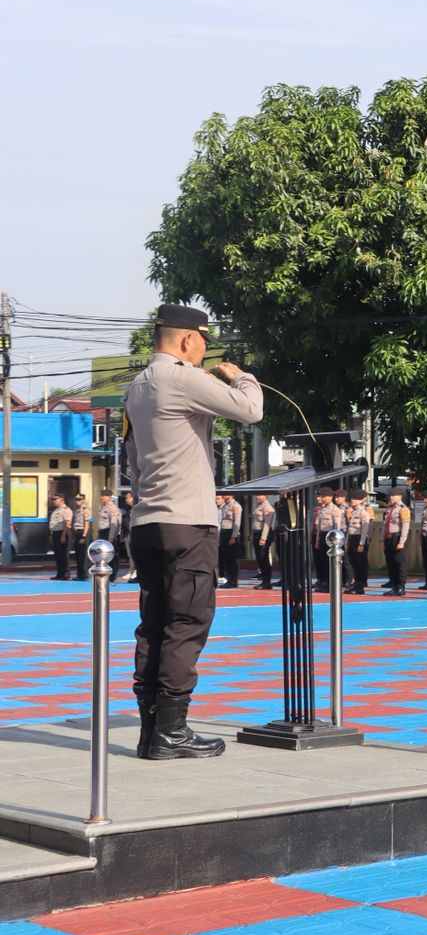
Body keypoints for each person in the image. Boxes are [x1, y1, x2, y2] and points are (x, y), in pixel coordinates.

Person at [123, 302, 263, 759]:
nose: (204, 351)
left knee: (155, 624)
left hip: (148, 521)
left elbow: (132, 460)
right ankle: (172, 731)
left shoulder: (136, 387)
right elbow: (251, 410)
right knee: (187, 623)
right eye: (204, 341)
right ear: (187, 339)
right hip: (187, 521)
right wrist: (241, 376)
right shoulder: (183, 378)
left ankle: (151, 730)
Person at [381, 488, 411, 596]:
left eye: (394, 495)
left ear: (400, 496)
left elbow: (405, 526)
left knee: (400, 563)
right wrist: (382, 539)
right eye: (390, 495)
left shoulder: (403, 509)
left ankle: (400, 587)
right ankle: (394, 586)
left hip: (397, 537)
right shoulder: (389, 509)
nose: (391, 497)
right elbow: (384, 525)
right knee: (391, 563)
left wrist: (402, 541)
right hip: (388, 538)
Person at [345, 489, 371, 594]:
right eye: (352, 499)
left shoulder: (363, 513)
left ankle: (360, 586)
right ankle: (356, 584)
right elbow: (349, 528)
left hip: (359, 539)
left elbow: (365, 529)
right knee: (354, 563)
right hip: (352, 538)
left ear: (361, 500)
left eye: (356, 499)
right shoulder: (353, 512)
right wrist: (346, 541)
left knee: (360, 564)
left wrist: (362, 543)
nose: (353, 501)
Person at [216, 490, 242, 588]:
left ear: (231, 495)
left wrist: (234, 536)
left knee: (232, 559)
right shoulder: (224, 506)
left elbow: (237, 522)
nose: (224, 494)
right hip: (224, 533)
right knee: (226, 558)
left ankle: (233, 581)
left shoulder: (235, 506)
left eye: (226, 493)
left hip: (231, 533)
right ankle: (229, 580)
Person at [96, 490, 123, 581]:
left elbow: (113, 523)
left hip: (108, 533)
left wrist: (111, 537)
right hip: (102, 532)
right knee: (103, 555)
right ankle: (105, 573)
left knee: (110, 555)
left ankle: (112, 575)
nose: (102, 497)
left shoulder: (112, 508)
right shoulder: (103, 507)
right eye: (102, 495)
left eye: (104, 496)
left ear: (109, 497)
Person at [251, 493, 275, 590]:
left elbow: (267, 524)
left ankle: (266, 582)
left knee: (263, 558)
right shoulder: (258, 506)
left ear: (265, 496)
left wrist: (263, 538)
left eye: (260, 495)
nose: (257, 497)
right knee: (259, 558)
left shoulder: (267, 507)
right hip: (257, 533)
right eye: (257, 495)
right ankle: (264, 580)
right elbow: (254, 523)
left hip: (263, 534)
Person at [47, 494, 71, 580]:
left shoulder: (66, 510)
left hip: (62, 533)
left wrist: (63, 535)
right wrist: (51, 535)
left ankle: (66, 573)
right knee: (58, 555)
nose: (54, 501)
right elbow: (53, 524)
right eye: (53, 500)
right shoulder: (56, 511)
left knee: (64, 554)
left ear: (61, 500)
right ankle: (59, 573)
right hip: (55, 533)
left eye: (55, 499)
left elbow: (67, 523)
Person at [120, 490, 139, 583]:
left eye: (128, 498)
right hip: (128, 533)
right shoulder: (128, 509)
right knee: (130, 554)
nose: (126, 500)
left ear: (133, 498)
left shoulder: (137, 509)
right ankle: (131, 570)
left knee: (135, 554)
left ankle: (136, 571)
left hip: (135, 533)